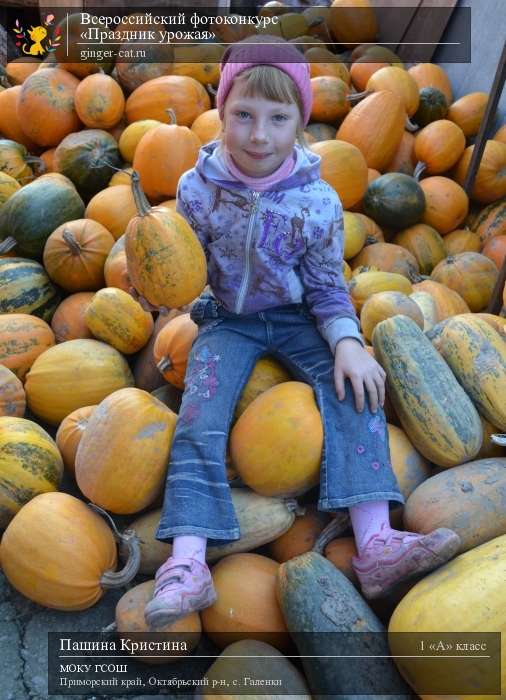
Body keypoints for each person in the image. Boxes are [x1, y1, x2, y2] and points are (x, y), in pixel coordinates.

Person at [142, 36, 460, 630]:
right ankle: (187, 565)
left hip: (297, 317)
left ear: (300, 121)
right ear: (222, 108)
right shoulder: (196, 188)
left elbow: (324, 285)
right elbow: (179, 266)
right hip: (226, 320)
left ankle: (377, 543)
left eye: (278, 117)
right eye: (243, 114)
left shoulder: (316, 201)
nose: (258, 134)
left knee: (356, 388)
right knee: (198, 416)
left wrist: (346, 341)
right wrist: (157, 286)